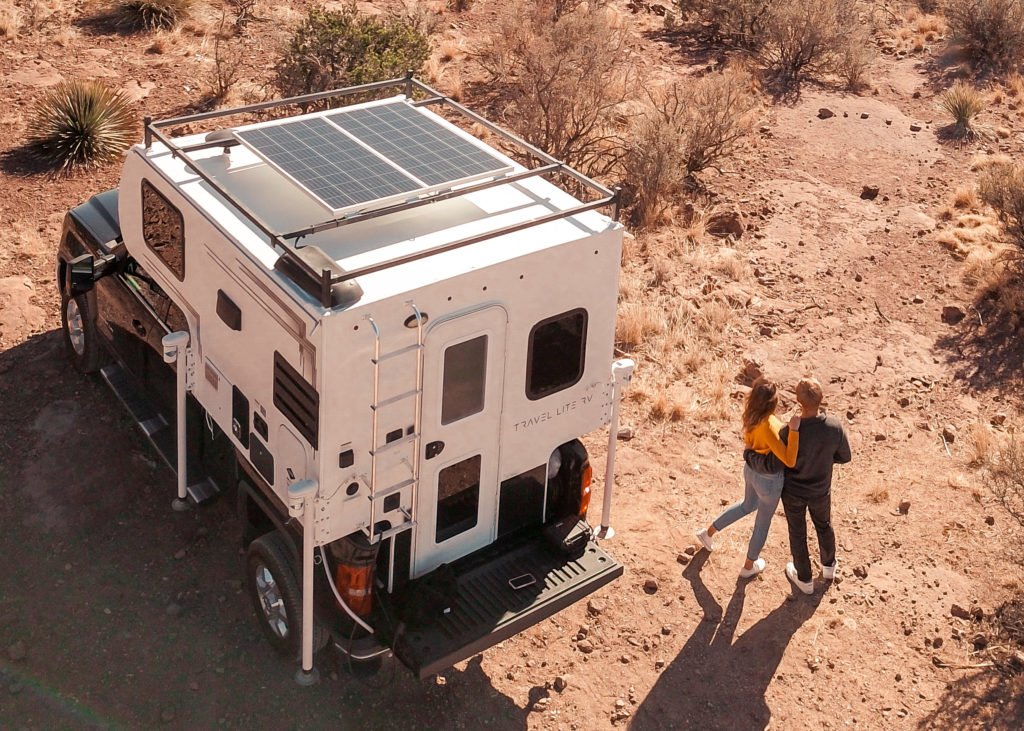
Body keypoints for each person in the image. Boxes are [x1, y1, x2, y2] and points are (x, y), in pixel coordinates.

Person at [747, 376, 851, 595]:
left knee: (797, 532)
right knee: (824, 524)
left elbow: (776, 463)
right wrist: (823, 461)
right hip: (821, 490)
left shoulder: (788, 431)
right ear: (822, 399)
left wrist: (749, 457)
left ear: (798, 402)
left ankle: (804, 579)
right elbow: (844, 456)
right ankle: (829, 566)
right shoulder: (834, 427)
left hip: (794, 492)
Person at [696, 378, 800, 578]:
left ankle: (707, 533)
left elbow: (749, 446)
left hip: (751, 470)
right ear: (771, 403)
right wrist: (794, 431)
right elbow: (789, 459)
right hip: (769, 480)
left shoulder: (751, 415)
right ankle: (748, 566)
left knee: (746, 505)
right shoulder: (769, 424)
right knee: (762, 522)